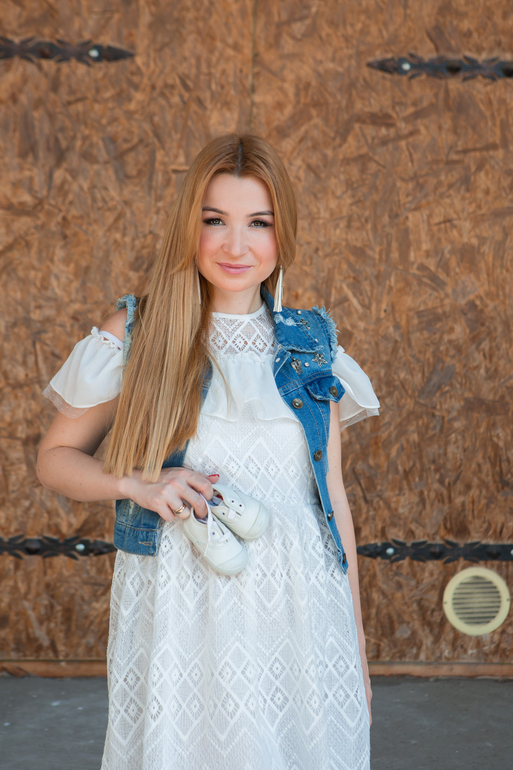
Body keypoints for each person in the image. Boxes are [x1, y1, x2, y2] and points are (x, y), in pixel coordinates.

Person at [37, 133, 380, 770]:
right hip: (185, 605)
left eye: (259, 223)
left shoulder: (312, 343)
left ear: (283, 234)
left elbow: (332, 496)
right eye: (215, 220)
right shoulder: (139, 334)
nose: (235, 245)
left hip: (302, 608)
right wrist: (137, 485)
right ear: (188, 227)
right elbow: (54, 458)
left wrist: (355, 637)